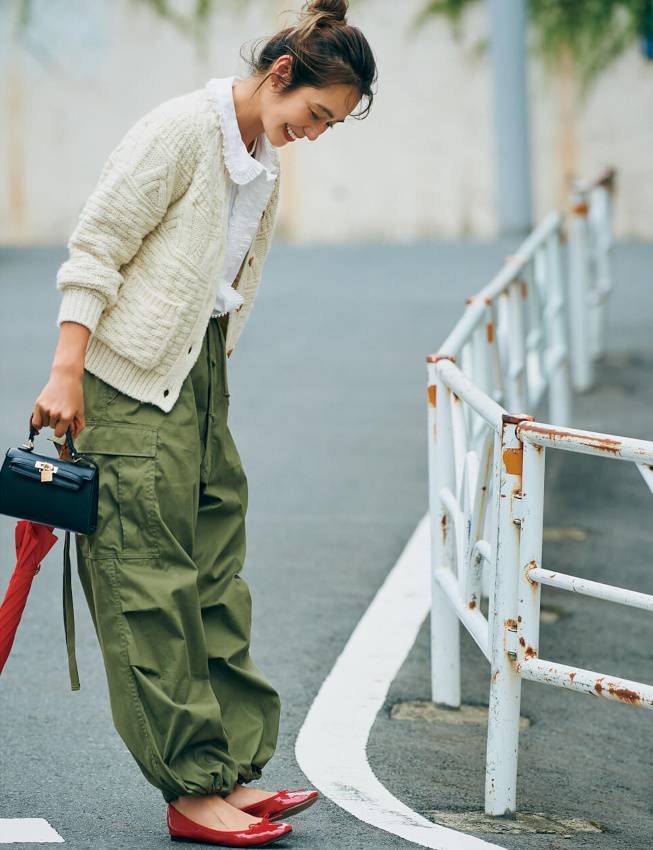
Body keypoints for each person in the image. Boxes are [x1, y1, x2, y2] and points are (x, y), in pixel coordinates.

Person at [29, 0, 376, 846]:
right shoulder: (181, 131)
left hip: (199, 378)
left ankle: (229, 768)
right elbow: (97, 247)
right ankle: (190, 791)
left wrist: (205, 373)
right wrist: (65, 372)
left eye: (330, 126)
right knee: (146, 581)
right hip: (127, 387)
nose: (314, 133)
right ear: (279, 75)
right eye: (315, 114)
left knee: (216, 572)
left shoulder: (265, 157)